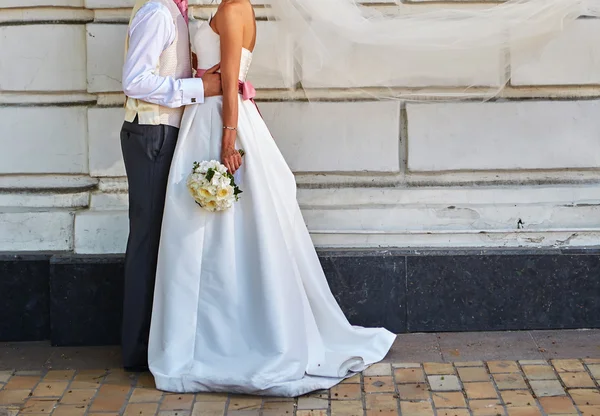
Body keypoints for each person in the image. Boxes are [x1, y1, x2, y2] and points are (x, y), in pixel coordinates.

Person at [148, 0, 396, 397]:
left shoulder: (232, 10)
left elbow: (230, 81)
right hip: (212, 115)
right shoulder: (232, 8)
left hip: (219, 121)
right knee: (223, 227)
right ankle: (209, 334)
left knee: (228, 226)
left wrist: (227, 140)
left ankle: (228, 339)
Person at [119, 0, 223, 371]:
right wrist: (198, 87)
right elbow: (135, 80)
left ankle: (150, 343)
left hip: (160, 135)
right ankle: (135, 349)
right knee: (147, 242)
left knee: (157, 241)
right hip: (150, 135)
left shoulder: (177, 13)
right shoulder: (157, 13)